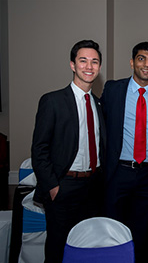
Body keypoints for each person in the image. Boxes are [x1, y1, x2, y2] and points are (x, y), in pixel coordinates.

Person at [31, 40, 106, 263]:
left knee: (86, 247)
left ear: (99, 67)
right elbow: (39, 149)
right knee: (58, 247)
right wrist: (53, 186)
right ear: (73, 65)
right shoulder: (52, 101)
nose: (89, 66)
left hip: (92, 188)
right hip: (64, 187)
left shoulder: (98, 104)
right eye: (83, 61)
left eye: (94, 62)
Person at [101, 41, 148, 262]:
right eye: (141, 59)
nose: (146, 64)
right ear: (132, 62)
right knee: (112, 228)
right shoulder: (112, 90)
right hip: (118, 171)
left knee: (142, 232)